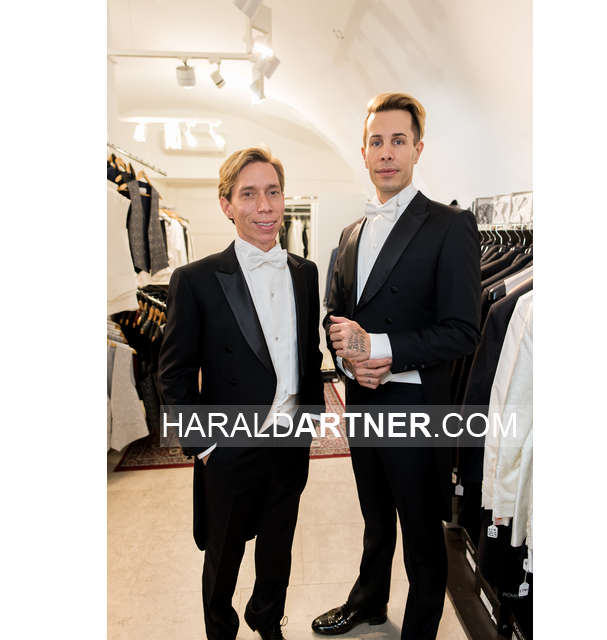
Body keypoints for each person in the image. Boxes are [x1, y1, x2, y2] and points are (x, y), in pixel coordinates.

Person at [312, 93, 481, 639]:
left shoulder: (451, 225)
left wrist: (378, 348)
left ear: (417, 149)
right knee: (375, 515)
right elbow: (333, 316)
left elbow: (463, 331)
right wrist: (348, 361)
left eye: (398, 141)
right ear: (364, 152)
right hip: (362, 399)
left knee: (421, 533)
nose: (386, 152)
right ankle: (369, 601)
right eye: (376, 141)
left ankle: (419, 630)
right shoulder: (350, 234)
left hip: (414, 405)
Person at [158, 147, 324, 640]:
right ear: (226, 204)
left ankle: (267, 619)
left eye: (273, 192)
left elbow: (307, 352)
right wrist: (204, 445)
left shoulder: (305, 272)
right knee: (223, 554)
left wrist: (310, 419)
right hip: (228, 445)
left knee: (278, 549)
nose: (265, 206)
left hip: (289, 440)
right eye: (249, 194)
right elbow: (174, 373)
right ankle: (220, 629)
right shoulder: (196, 280)